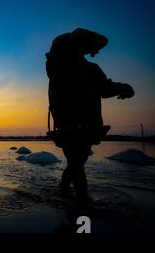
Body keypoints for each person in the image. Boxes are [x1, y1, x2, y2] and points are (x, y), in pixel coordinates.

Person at [46, 28, 135, 202]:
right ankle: (82, 203)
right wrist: (124, 87)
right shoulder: (73, 67)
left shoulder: (56, 67)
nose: (94, 53)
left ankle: (64, 190)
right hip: (78, 125)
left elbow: (102, 88)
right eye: (92, 49)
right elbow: (105, 88)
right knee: (77, 163)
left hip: (71, 123)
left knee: (76, 162)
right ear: (82, 46)